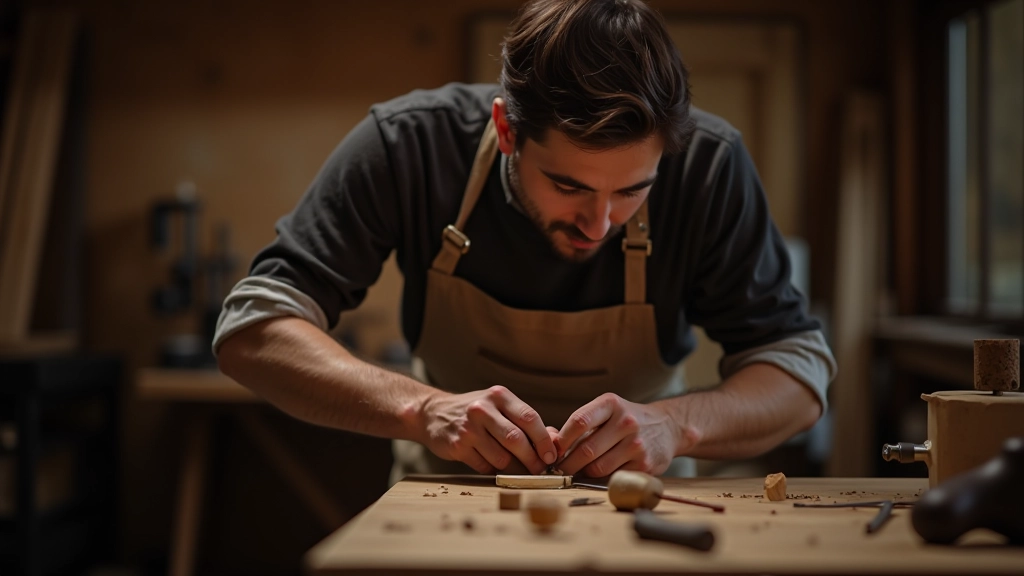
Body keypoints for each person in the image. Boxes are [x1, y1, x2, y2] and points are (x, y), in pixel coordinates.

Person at [214, 0, 836, 481]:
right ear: (507, 130)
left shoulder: (710, 164)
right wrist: (423, 411)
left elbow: (797, 377)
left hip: (640, 504)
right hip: (447, 498)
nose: (600, 224)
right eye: (569, 186)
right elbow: (253, 331)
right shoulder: (408, 146)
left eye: (631, 192)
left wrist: (676, 425)